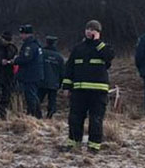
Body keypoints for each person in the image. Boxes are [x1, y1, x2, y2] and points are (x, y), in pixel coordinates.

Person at [63, 20, 114, 151]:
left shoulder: (104, 47)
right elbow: (69, 68)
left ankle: (94, 146)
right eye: (88, 29)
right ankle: (73, 144)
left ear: (98, 32)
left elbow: (109, 57)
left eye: (93, 29)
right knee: (75, 119)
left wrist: (97, 42)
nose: (89, 31)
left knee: (96, 120)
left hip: (98, 92)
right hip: (79, 90)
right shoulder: (78, 48)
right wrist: (67, 87)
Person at [14, 24, 44, 118]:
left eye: (22, 34)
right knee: (33, 94)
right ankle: (36, 114)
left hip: (30, 75)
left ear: (27, 34)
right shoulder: (36, 44)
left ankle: (33, 114)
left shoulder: (30, 46)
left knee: (30, 95)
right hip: (34, 74)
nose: (21, 36)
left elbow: (26, 58)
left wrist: (15, 60)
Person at [40, 35, 64, 119]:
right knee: (52, 101)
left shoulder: (41, 53)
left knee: (38, 99)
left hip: (41, 81)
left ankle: (36, 115)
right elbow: (62, 72)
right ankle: (49, 116)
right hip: (54, 83)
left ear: (46, 42)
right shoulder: (59, 57)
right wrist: (60, 84)